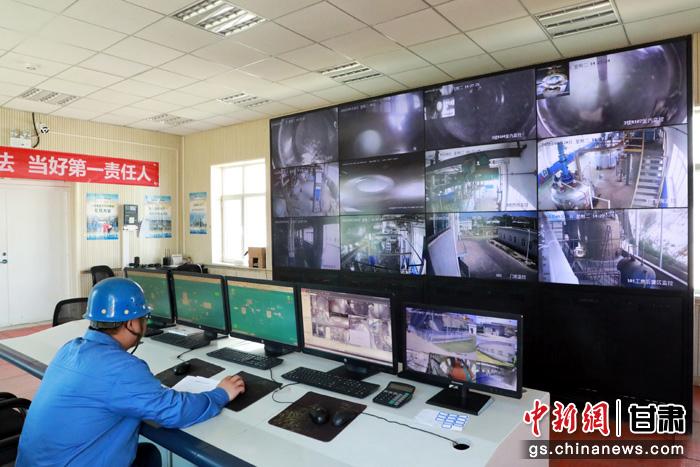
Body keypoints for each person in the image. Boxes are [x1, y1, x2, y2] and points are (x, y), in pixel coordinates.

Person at [16, 278, 245, 467]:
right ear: (132, 324)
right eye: (144, 318)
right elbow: (173, 412)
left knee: (147, 454)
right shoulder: (121, 369)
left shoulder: (70, 348)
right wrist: (221, 393)